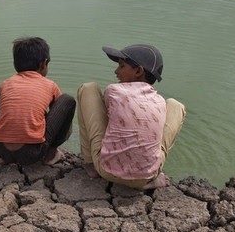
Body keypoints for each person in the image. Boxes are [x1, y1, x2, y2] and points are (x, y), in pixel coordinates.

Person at [77, 44, 186, 189]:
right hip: (147, 176)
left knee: (88, 89)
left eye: (121, 66)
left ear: (138, 71)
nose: (116, 71)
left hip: (106, 171)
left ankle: (90, 163)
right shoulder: (159, 101)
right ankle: (150, 179)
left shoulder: (114, 91)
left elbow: (109, 121)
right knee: (176, 106)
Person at [0, 37, 76, 165]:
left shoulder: (6, 83)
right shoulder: (50, 85)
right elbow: (59, 115)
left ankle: (0, 146)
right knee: (67, 101)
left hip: (0, 149)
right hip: (32, 154)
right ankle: (50, 154)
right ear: (43, 64)